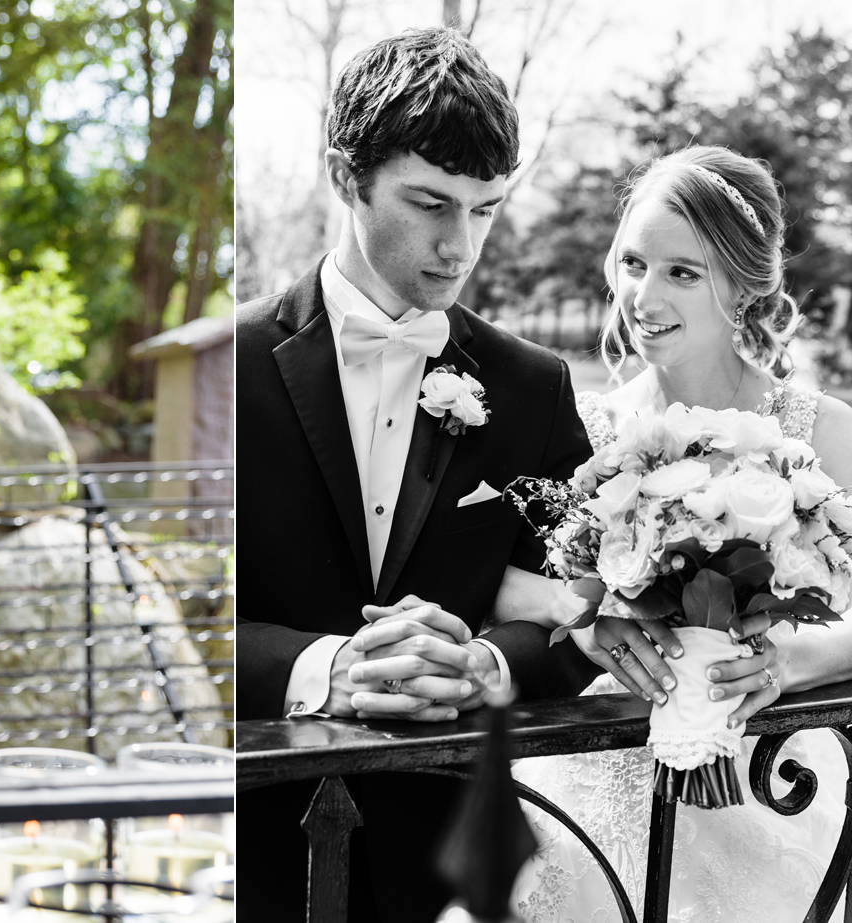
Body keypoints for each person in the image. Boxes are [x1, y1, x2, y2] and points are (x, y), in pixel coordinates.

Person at [233, 28, 601, 922]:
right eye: (429, 203)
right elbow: (173, 619)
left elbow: (590, 601)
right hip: (250, 849)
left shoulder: (533, 387)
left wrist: (485, 667)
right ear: (344, 175)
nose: (459, 245)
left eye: (484, 209)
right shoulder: (233, 365)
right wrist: (320, 668)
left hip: (445, 861)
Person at [509, 146, 852, 922]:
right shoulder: (583, 429)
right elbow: (516, 584)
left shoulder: (820, 433)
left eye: (681, 272)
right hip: (593, 783)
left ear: (743, 286)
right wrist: (589, 617)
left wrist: (795, 657)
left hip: (769, 785)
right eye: (633, 264)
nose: (643, 294)